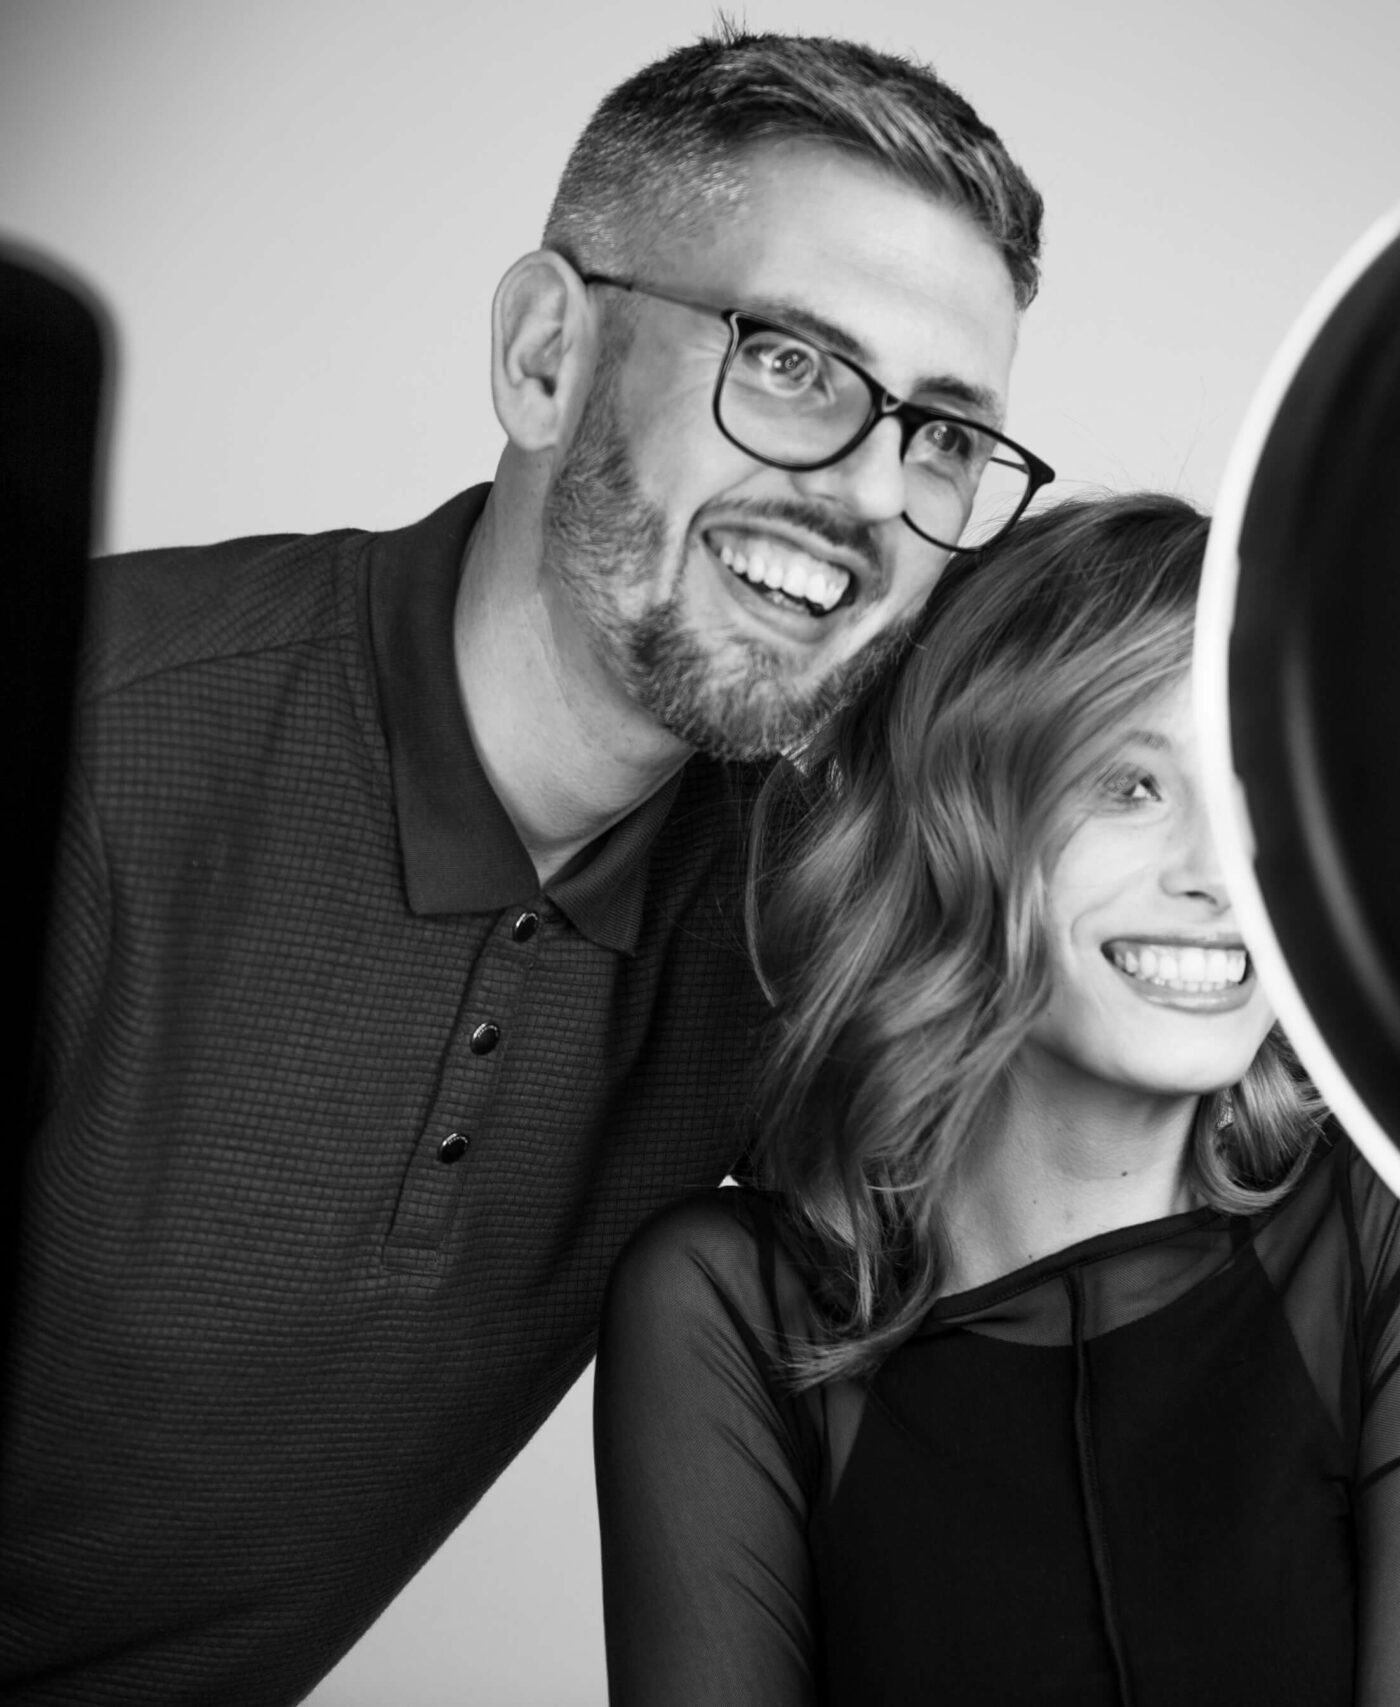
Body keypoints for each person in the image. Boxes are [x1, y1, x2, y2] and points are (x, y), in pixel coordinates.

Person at [1, 32, 1049, 1704]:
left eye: (939, 435)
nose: (864, 491)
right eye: (790, 364)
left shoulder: (795, 920)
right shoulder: (87, 750)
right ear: (547, 352)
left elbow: (1102, 1279)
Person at [592, 494, 1400, 1704]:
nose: (1217, 877)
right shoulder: (726, 1308)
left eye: (1258, 794)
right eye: (1129, 786)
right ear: (959, 824)